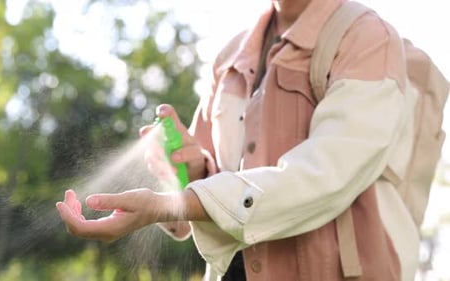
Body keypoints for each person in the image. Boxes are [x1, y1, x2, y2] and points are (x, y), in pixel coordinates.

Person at [56, 0, 420, 280]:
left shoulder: (367, 40)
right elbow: (194, 204)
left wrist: (172, 203)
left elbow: (326, 176)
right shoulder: (232, 57)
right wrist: (188, 169)